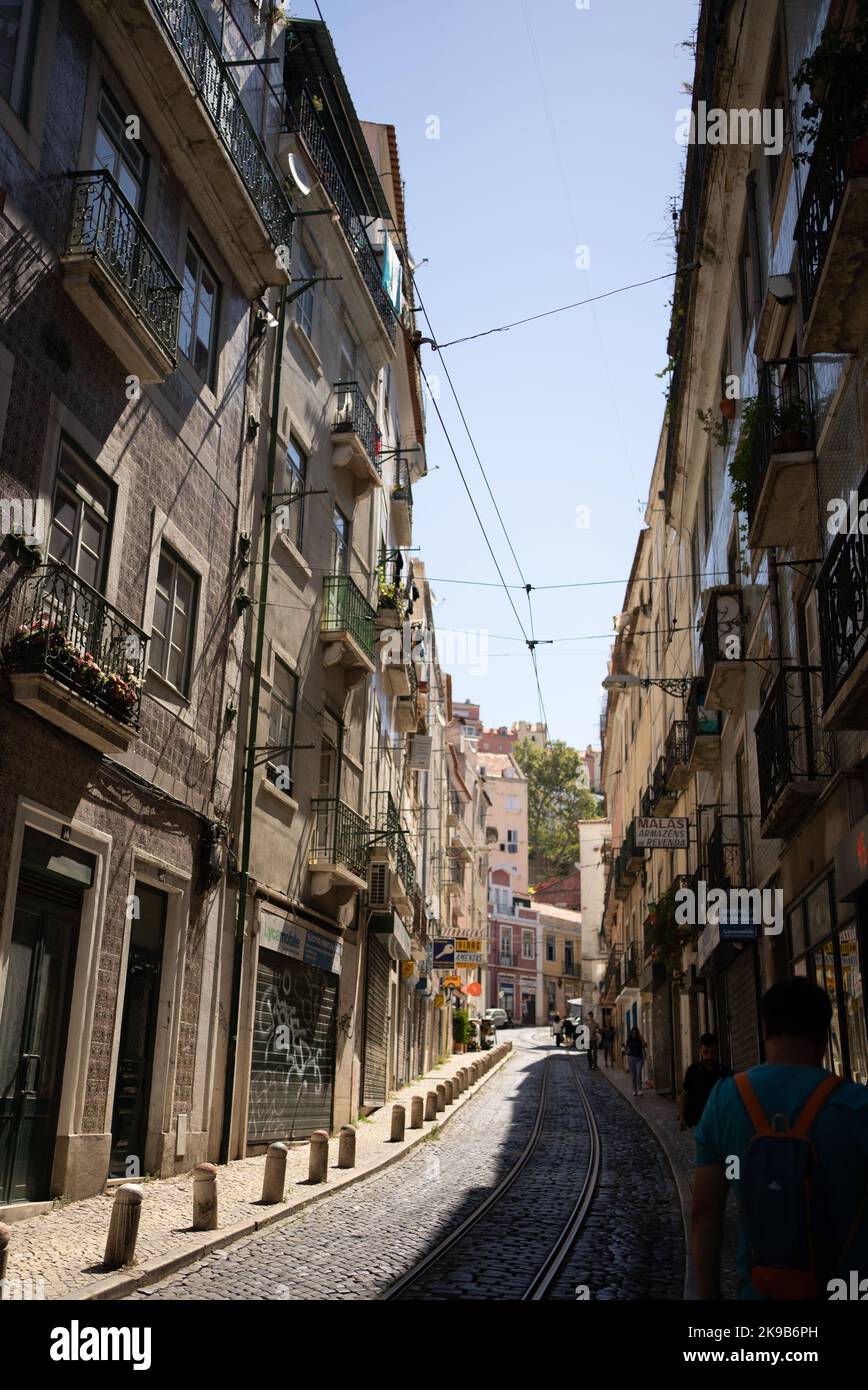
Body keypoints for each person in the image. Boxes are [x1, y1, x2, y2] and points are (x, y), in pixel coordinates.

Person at [692, 978, 868, 1301]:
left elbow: (705, 1213)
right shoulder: (858, 1106)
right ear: (825, 1034)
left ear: (764, 1030)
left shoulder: (725, 1099)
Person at [678, 1033, 732, 1132]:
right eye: (706, 1052)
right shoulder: (693, 1071)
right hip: (697, 1125)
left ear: (717, 1052)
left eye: (713, 1053)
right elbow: (684, 1095)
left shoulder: (726, 1073)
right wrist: (682, 1118)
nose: (709, 1056)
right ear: (701, 1052)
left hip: (720, 1126)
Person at [625, 1026, 646, 1095]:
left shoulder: (639, 1039)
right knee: (633, 1075)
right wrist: (625, 1051)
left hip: (639, 1058)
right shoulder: (629, 1040)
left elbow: (645, 1045)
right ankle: (634, 1090)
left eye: (635, 1033)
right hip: (631, 1058)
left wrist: (640, 1037)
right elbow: (626, 1049)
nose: (634, 1034)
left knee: (638, 1074)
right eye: (633, 1033)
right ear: (631, 1033)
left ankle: (639, 1089)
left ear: (637, 1033)